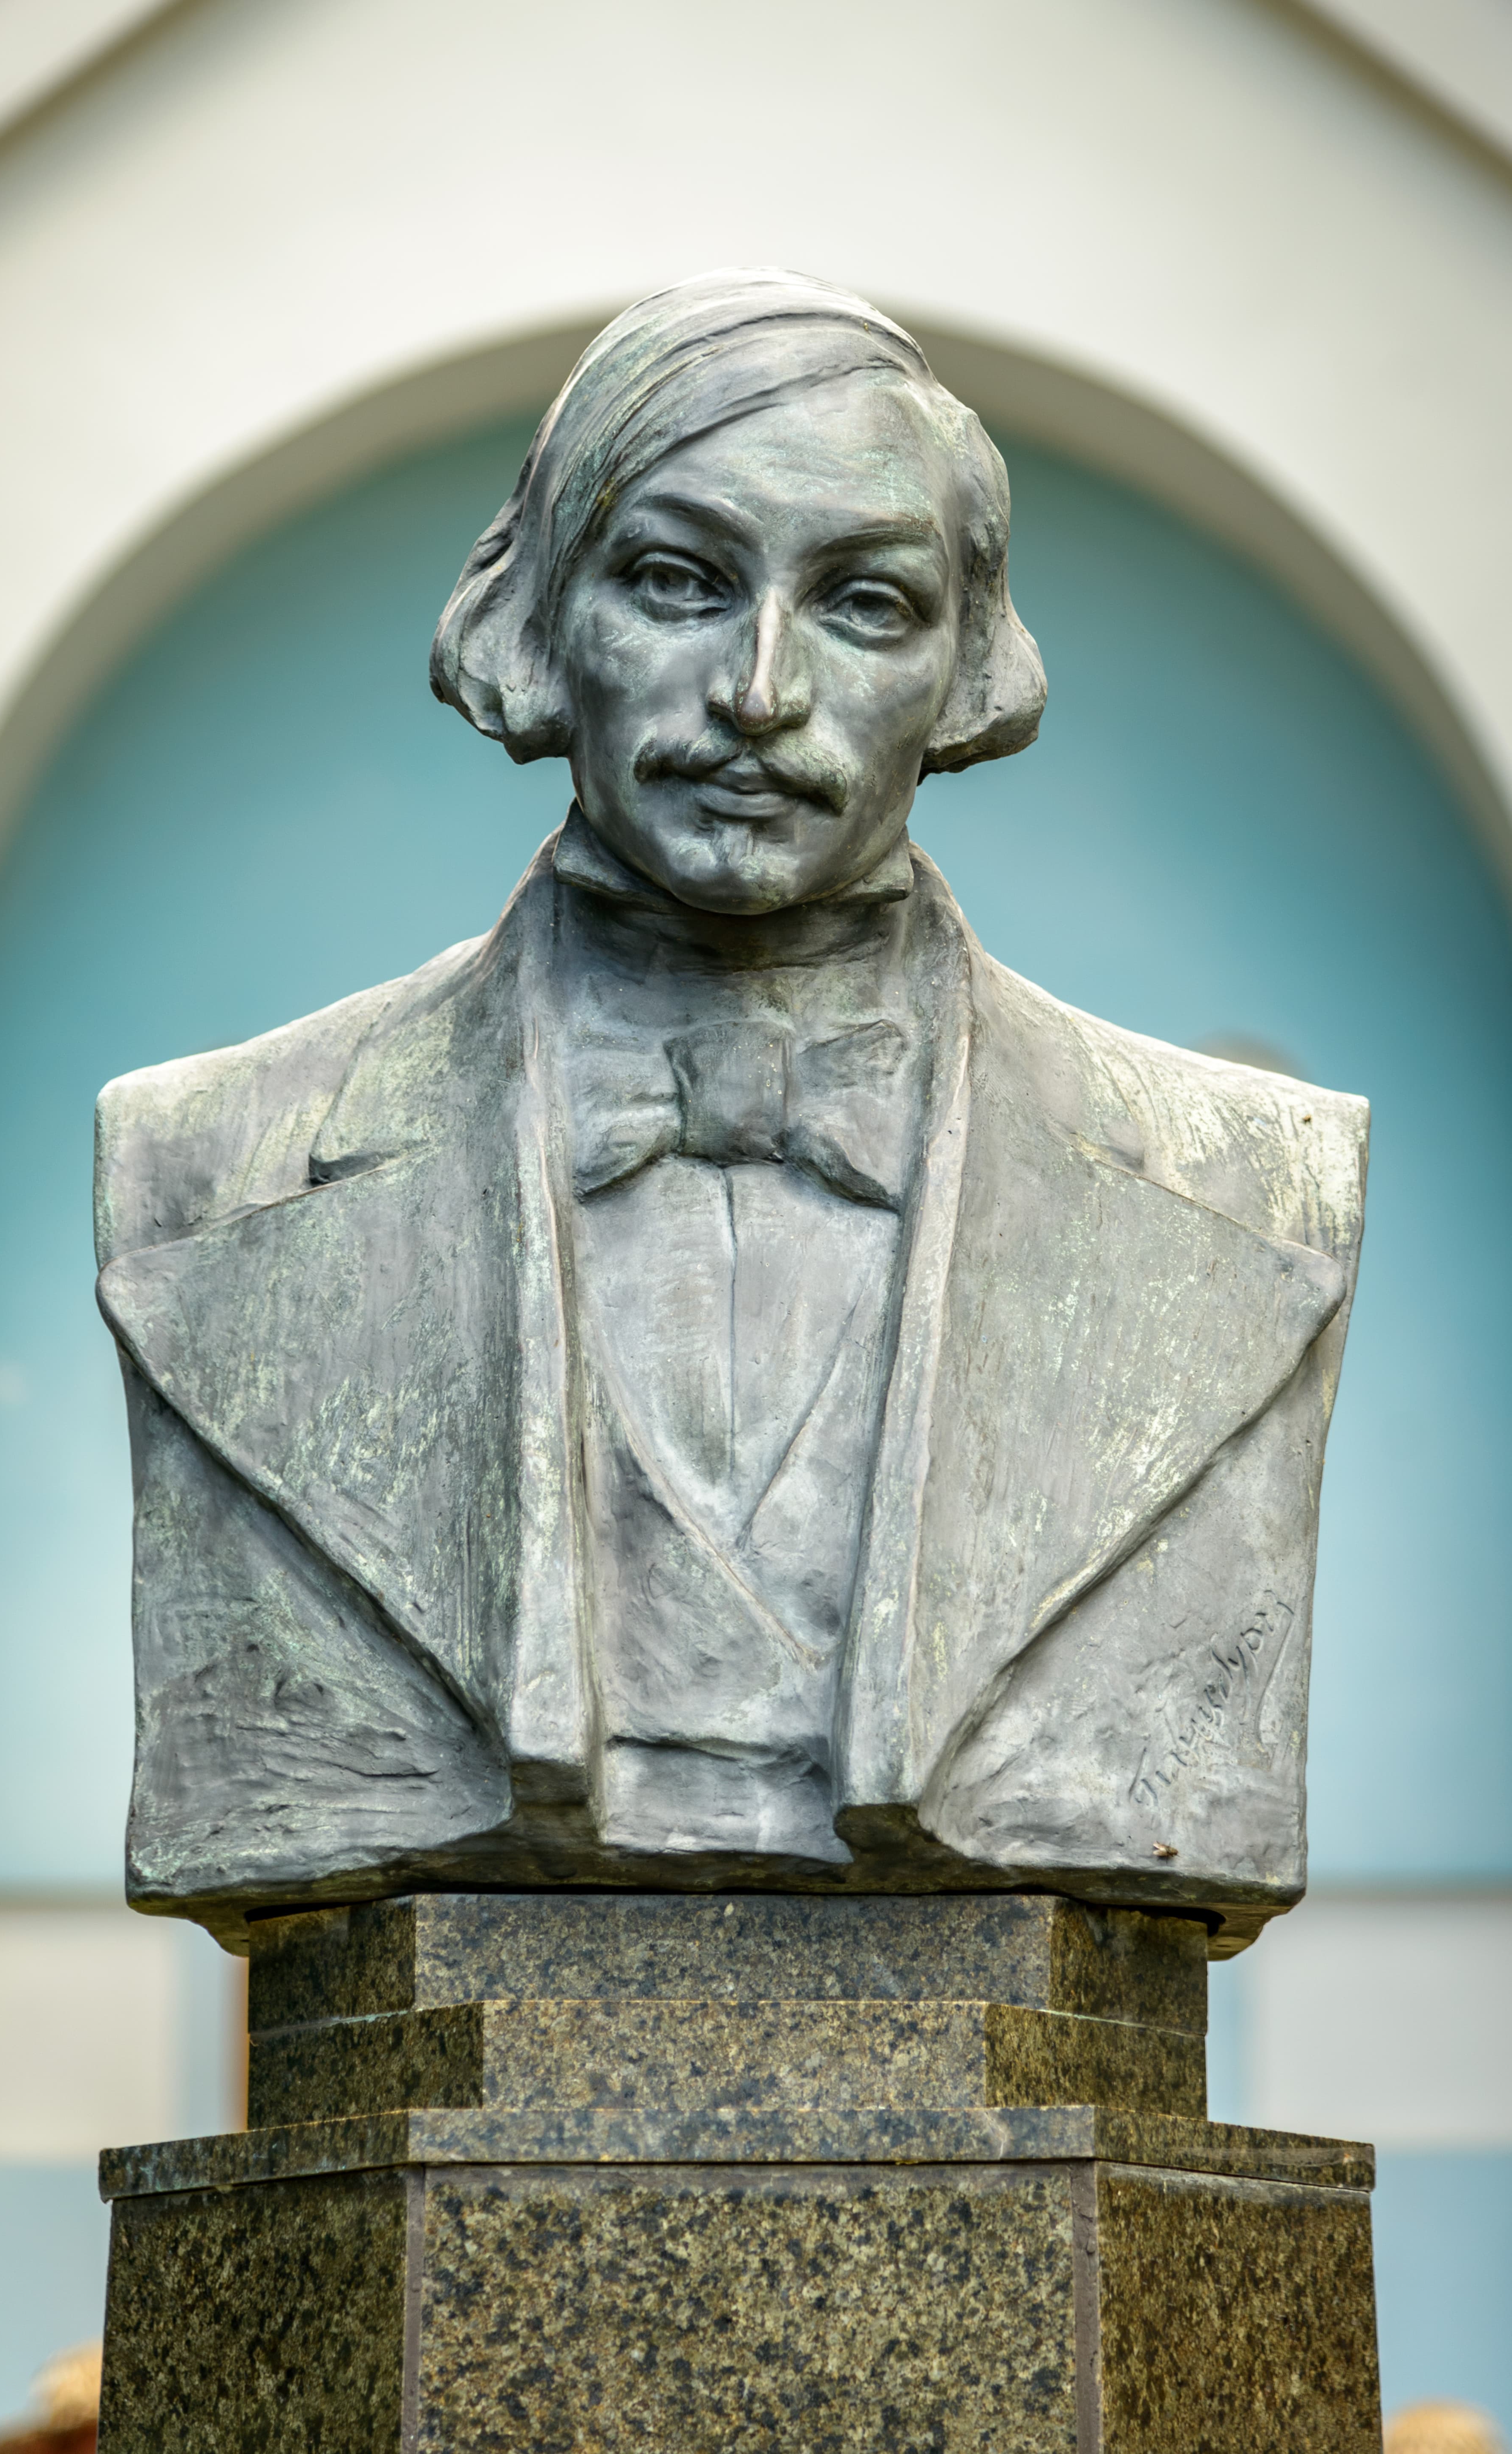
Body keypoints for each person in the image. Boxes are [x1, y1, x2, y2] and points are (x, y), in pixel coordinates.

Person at [96, 269, 1365, 1951]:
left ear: (968, 666)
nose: (761, 690)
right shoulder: (203, 1176)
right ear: (538, 622)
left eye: (864, 603)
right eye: (679, 582)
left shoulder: (1253, 1198)